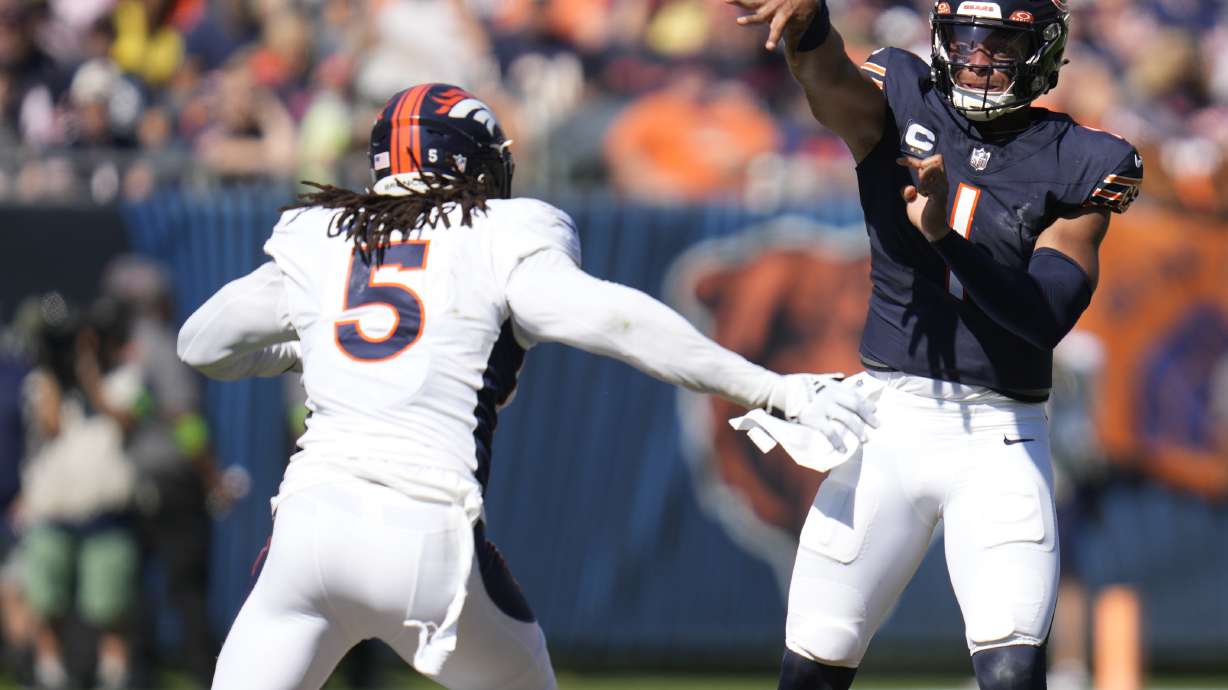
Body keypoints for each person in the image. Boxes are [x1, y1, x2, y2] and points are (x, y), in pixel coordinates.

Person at [176, 82, 878, 690]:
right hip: (423, 533)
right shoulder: (499, 231)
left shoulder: (322, 236)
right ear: (469, 164)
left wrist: (312, 343)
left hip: (307, 531)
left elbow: (201, 343)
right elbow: (619, 322)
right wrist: (771, 388)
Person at [729, 1, 1143, 689]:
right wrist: (809, 25)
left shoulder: (1083, 160)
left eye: (1000, 41)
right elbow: (829, 81)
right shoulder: (899, 96)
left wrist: (945, 236)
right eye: (965, 38)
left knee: (1012, 671)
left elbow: (1042, 315)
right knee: (812, 668)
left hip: (999, 434)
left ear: (1041, 51)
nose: (978, 56)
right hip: (888, 421)